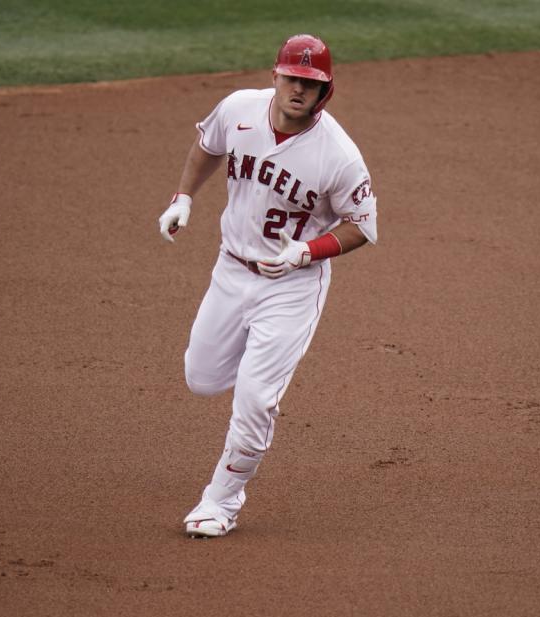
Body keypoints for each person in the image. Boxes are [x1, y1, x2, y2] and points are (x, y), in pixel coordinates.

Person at [157, 33, 379, 538]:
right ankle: (257, 374)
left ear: (326, 91)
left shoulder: (339, 155)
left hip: (292, 288)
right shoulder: (239, 108)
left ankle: (222, 500)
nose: (298, 89)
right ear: (274, 76)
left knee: (255, 402)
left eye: (311, 83)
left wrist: (307, 250)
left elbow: (362, 225)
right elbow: (208, 145)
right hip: (231, 269)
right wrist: (184, 197)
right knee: (201, 378)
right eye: (292, 78)